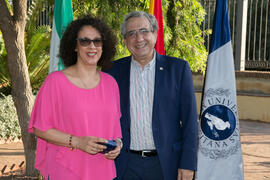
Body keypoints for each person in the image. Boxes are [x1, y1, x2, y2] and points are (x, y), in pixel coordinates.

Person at [104, 11, 198, 180]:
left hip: (165, 165)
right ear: (125, 41)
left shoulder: (178, 69)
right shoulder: (112, 71)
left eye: (144, 31)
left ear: (155, 34)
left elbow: (190, 121)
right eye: (131, 33)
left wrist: (188, 163)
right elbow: (103, 117)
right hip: (124, 165)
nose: (139, 39)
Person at [28, 15, 122, 180]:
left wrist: (117, 145)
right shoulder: (55, 81)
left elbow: (114, 131)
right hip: (65, 170)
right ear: (75, 46)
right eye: (85, 41)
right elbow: (39, 128)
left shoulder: (111, 84)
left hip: (102, 171)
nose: (92, 46)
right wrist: (77, 142)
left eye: (97, 41)